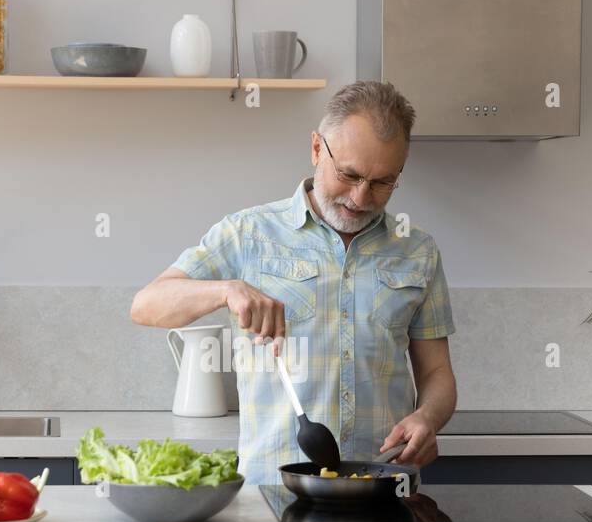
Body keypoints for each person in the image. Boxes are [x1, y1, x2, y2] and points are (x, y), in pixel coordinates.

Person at [130, 80, 457, 484]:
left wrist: (428, 418)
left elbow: (436, 372)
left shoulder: (417, 251)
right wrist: (225, 290)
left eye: (382, 182)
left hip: (384, 486)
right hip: (274, 491)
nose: (359, 198)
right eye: (349, 174)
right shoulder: (248, 234)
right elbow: (146, 304)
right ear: (317, 148)